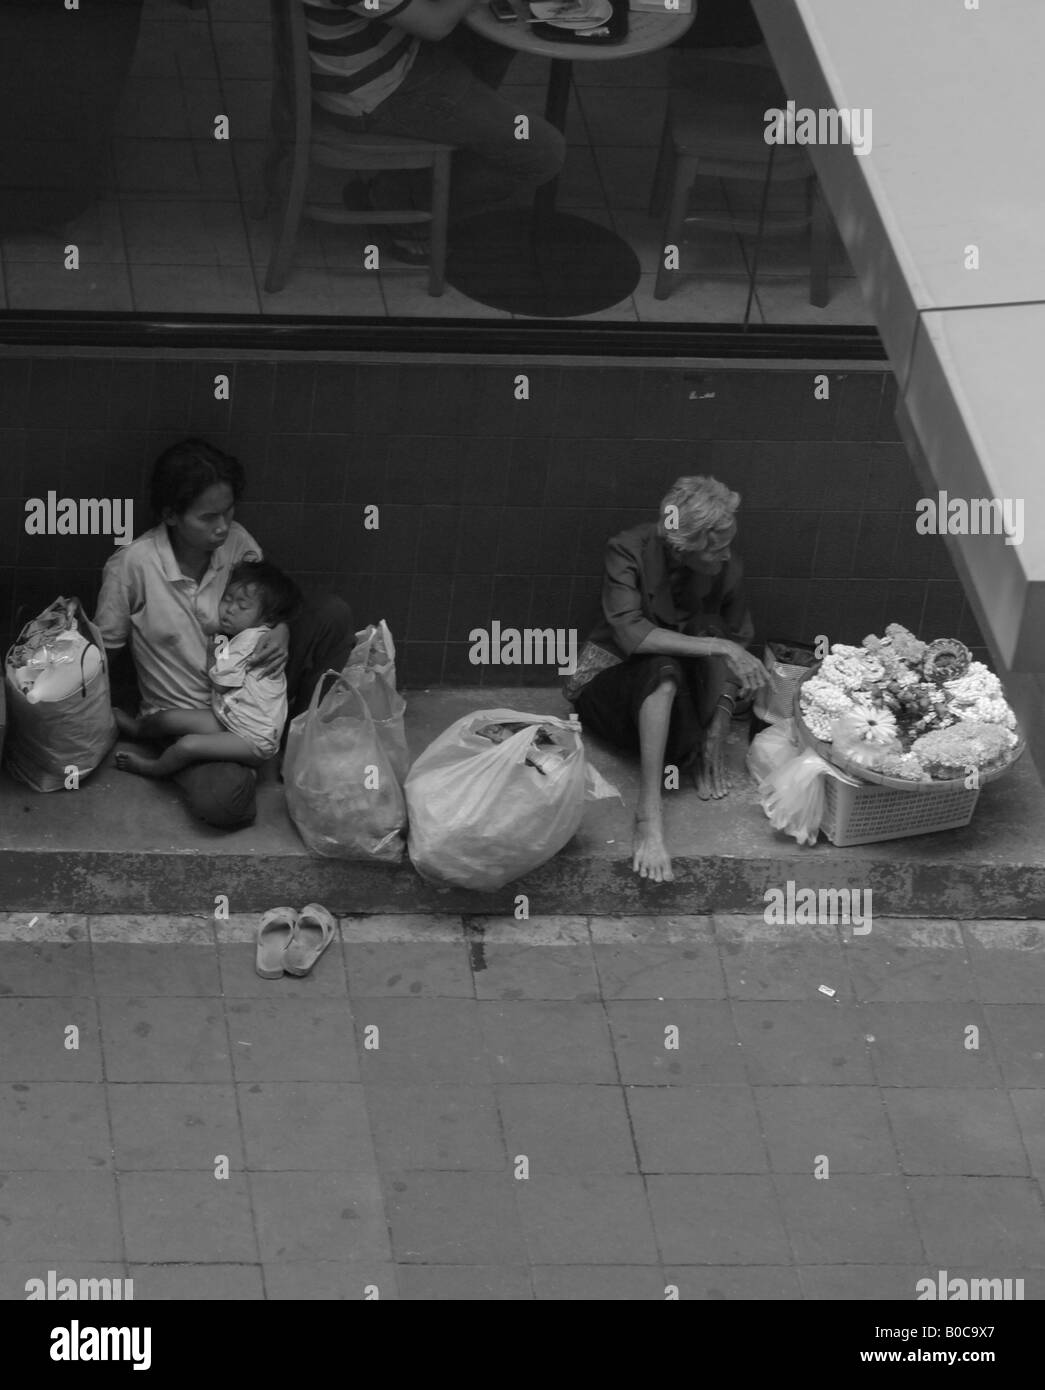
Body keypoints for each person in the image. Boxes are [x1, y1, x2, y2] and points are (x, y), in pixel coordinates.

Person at [95, 439, 356, 830]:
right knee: (225, 804)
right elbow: (104, 653)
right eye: (208, 518)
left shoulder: (236, 541)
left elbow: (273, 599)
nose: (222, 527)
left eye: (229, 512)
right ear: (171, 515)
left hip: (255, 692)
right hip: (190, 714)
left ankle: (293, 747)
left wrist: (281, 629)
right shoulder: (132, 566)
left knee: (332, 614)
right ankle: (235, 757)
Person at [565, 476, 768, 884]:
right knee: (663, 667)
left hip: (675, 706)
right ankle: (648, 814)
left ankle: (687, 742)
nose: (727, 555)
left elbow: (736, 641)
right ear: (685, 546)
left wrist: (720, 722)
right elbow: (631, 634)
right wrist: (720, 648)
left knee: (701, 637)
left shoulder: (728, 569)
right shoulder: (628, 550)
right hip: (612, 689)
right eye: (717, 547)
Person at [300, 0, 567, 261]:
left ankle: (414, 178)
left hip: (399, 50)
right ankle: (402, 201)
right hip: (376, 92)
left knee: (497, 33)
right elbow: (434, 25)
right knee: (543, 152)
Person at [113, 560, 301, 779]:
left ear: (267, 618)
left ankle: (152, 769)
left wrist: (213, 654)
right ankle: (138, 729)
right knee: (169, 719)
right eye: (227, 599)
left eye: (242, 606)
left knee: (188, 746)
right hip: (231, 717)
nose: (229, 609)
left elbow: (220, 686)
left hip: (253, 738)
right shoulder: (245, 636)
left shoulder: (251, 640)